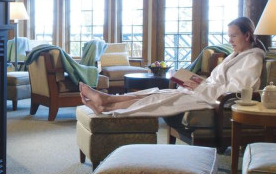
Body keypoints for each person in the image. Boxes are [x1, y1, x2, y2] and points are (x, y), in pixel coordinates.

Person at [79, 17, 265, 117]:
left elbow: (238, 91)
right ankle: (106, 98)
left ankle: (106, 107)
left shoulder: (253, 59)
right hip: (205, 94)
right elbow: (216, 82)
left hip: (214, 102)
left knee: (157, 99)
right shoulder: (236, 56)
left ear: (247, 35)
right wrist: (193, 81)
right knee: (153, 92)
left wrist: (200, 86)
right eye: (229, 36)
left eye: (233, 36)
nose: (229, 40)